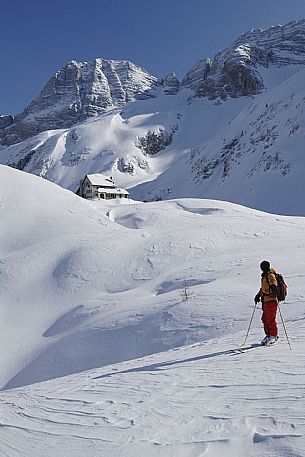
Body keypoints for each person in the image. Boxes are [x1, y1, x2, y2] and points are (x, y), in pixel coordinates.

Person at [254, 260, 279, 345]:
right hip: (265, 301)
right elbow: (263, 288)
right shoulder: (265, 276)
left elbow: (273, 282)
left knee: (270, 318)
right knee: (265, 319)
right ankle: (268, 335)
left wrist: (274, 288)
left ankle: (273, 335)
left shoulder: (270, 275)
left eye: (263, 266)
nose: (261, 268)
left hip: (271, 300)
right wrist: (258, 295)